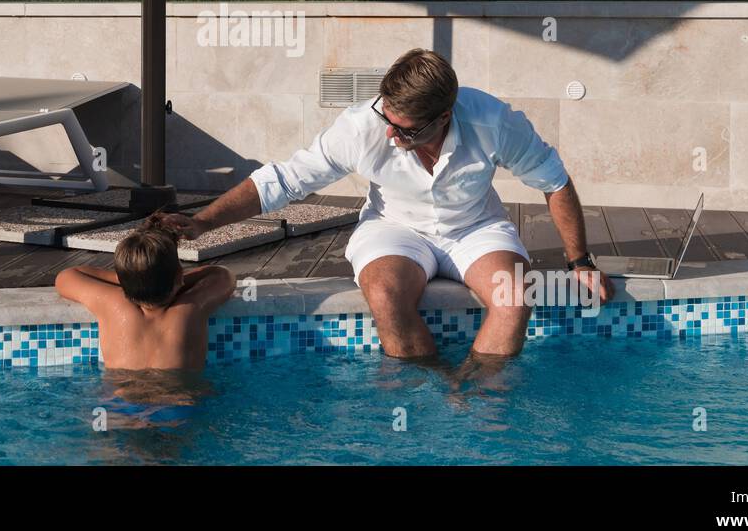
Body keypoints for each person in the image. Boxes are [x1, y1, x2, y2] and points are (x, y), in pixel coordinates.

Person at [158, 48, 613, 363]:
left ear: (444, 116)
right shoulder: (363, 126)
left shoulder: (494, 121)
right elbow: (283, 180)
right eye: (388, 121)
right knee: (385, 295)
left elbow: (554, 182)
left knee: (515, 297)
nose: (392, 136)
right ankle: (423, 391)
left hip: (475, 228)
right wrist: (203, 221)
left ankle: (477, 401)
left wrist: (580, 261)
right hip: (393, 227)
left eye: (407, 130)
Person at [53, 212, 235, 370]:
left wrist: (133, 277)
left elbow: (66, 276)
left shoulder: (111, 303)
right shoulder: (191, 307)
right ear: (179, 277)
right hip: (178, 404)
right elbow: (222, 275)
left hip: (123, 405)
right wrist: (170, 278)